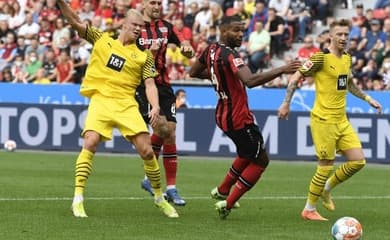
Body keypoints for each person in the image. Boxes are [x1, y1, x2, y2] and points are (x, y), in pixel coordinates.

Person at [56, 0, 178, 218]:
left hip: (126, 104)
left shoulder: (144, 56)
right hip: (101, 101)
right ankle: (78, 199)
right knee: (90, 141)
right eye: (135, 25)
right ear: (124, 24)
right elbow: (75, 22)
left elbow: (150, 84)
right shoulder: (102, 39)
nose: (139, 29)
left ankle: (159, 198)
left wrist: (156, 106)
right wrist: (60, 3)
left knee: (148, 151)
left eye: (141, 27)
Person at [189, 15, 301, 219]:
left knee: (247, 152)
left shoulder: (211, 49)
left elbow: (194, 72)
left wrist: (219, 74)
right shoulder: (231, 55)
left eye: (242, 30)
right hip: (238, 117)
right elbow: (250, 80)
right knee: (261, 160)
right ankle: (227, 204)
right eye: (236, 30)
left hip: (223, 114)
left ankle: (223, 189)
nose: (241, 34)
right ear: (223, 31)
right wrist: (283, 69)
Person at [278, 19, 382, 221]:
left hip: (342, 120)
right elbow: (295, 77)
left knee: (358, 161)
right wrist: (285, 103)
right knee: (326, 164)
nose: (343, 38)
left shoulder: (347, 59)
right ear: (330, 37)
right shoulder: (320, 58)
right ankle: (309, 209)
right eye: (339, 34)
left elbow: (348, 84)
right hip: (323, 120)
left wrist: (369, 99)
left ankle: (326, 188)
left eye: (346, 34)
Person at [136, 0, 194, 206]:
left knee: (170, 131)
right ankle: (152, 179)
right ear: (143, 4)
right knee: (161, 127)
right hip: (142, 86)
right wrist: (148, 54)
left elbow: (184, 43)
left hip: (164, 85)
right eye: (153, 2)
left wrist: (187, 48)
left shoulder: (165, 27)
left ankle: (169, 187)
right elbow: (129, 58)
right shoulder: (135, 27)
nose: (157, 6)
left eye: (159, 3)